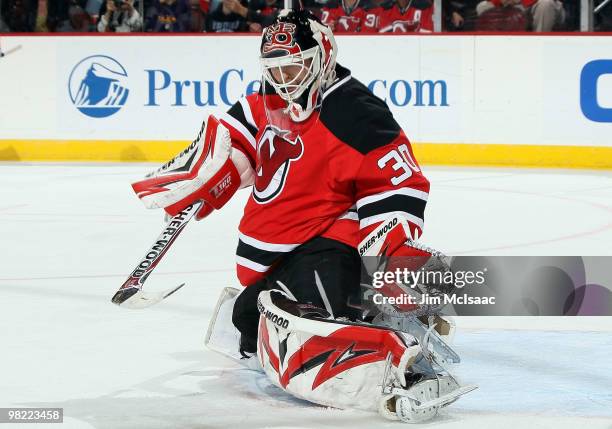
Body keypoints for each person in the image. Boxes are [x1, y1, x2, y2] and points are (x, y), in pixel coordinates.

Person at [131, 8, 473, 423]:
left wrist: (390, 249)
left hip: (333, 245)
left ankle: (404, 365)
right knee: (246, 318)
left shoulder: (356, 112)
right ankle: (382, 310)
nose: (285, 79)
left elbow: (397, 181)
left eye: (296, 66)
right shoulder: (267, 98)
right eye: (276, 69)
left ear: (323, 55)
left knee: (293, 329)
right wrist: (212, 176)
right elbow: (238, 136)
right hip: (285, 253)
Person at [476, 0, 565, 32]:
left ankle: (539, 45)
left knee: (545, 3)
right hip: (516, 6)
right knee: (483, 7)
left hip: (542, 4)